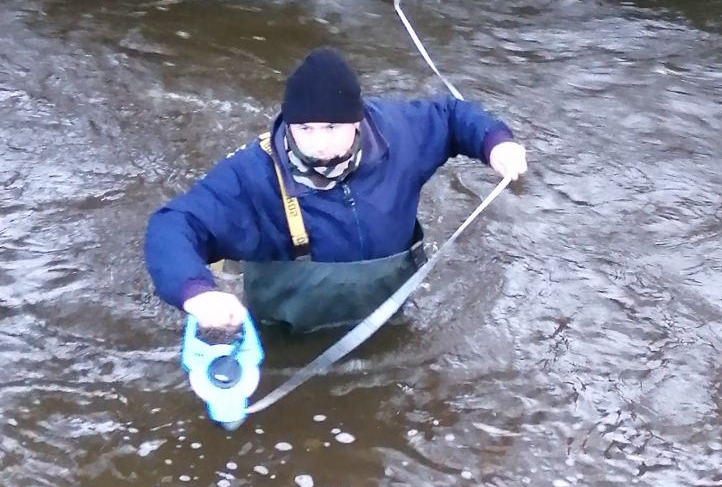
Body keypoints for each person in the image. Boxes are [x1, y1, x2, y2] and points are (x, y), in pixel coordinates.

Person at [144, 47, 527, 337]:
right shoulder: (252, 177)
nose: (318, 144)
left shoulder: (398, 132)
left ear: (357, 121)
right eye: (305, 129)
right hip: (290, 339)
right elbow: (174, 224)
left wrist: (496, 144)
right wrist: (197, 293)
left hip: (389, 322)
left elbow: (451, 116)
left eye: (330, 128)